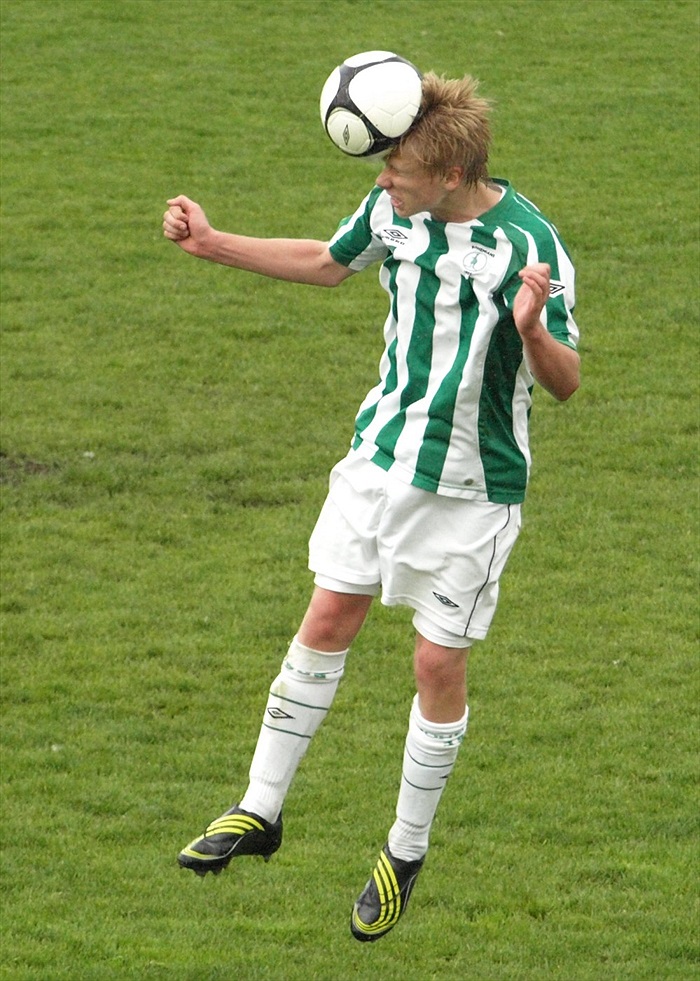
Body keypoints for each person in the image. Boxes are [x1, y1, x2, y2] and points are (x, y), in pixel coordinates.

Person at [163, 70, 580, 942]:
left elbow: (566, 382)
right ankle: (259, 808)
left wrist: (533, 328)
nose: (383, 177)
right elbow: (327, 261)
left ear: (453, 174)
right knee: (326, 616)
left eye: (398, 168)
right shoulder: (393, 211)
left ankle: (404, 850)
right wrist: (211, 244)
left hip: (471, 491)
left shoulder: (528, 246)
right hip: (377, 461)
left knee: (436, 666)